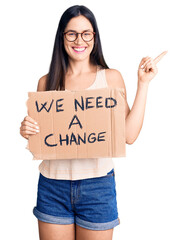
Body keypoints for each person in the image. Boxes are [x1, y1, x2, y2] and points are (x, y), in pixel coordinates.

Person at [20, 5, 167, 240]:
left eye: (86, 33)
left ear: (94, 37)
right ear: (62, 37)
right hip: (52, 187)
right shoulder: (46, 82)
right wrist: (27, 129)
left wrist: (143, 84)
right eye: (72, 33)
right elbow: (40, 136)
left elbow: (128, 136)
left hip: (97, 187)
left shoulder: (110, 77)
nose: (80, 40)